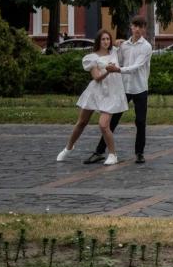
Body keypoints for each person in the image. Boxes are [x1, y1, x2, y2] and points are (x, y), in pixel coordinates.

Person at [83, 16, 153, 164]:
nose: (138, 29)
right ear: (131, 27)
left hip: (140, 88)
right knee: (112, 120)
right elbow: (116, 59)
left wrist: (117, 69)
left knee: (140, 122)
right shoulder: (124, 45)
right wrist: (113, 50)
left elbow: (137, 67)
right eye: (135, 26)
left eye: (141, 27)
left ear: (144, 29)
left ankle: (139, 153)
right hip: (123, 88)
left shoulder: (146, 47)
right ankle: (99, 151)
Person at [56, 30, 128, 165]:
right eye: (103, 39)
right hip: (96, 92)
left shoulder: (114, 52)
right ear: (98, 42)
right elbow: (96, 78)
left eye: (108, 39)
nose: (106, 42)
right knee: (82, 122)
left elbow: (126, 43)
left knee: (103, 125)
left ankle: (113, 155)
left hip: (111, 94)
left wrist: (120, 41)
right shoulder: (92, 58)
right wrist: (108, 71)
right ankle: (68, 147)